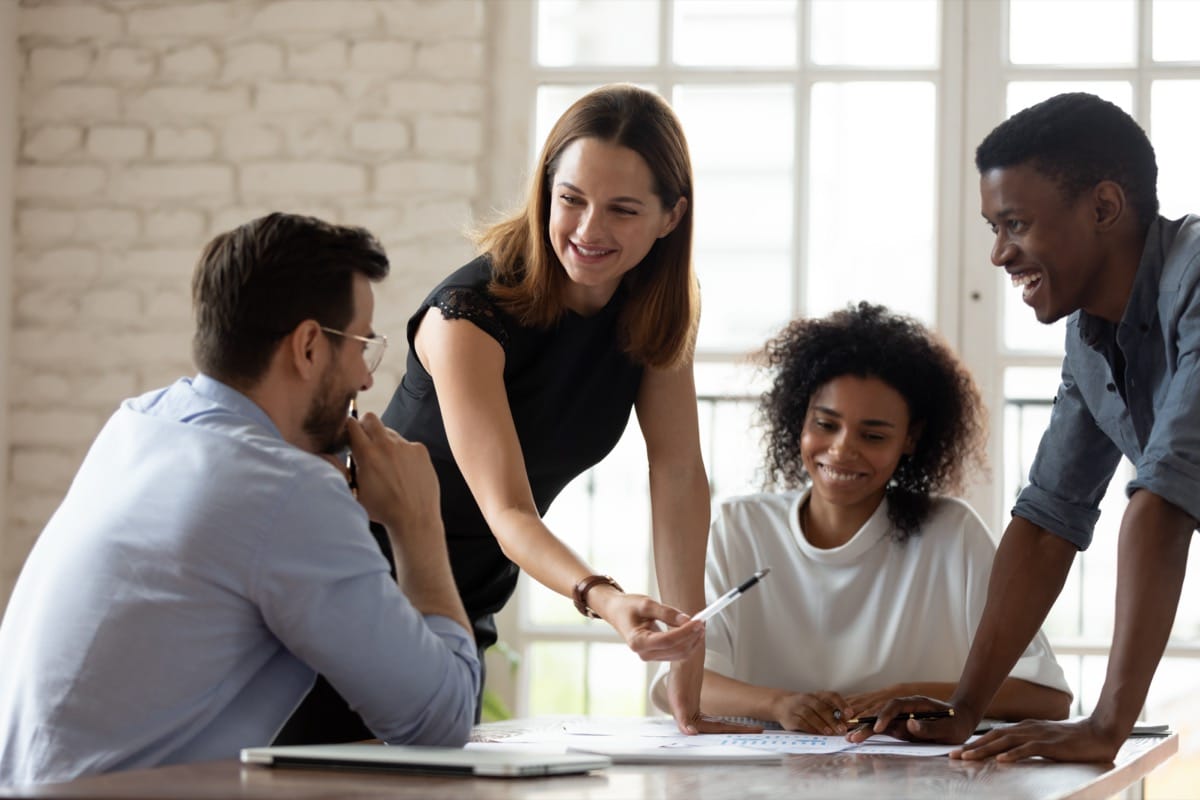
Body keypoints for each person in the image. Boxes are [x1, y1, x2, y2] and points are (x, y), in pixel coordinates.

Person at [278, 83, 734, 742]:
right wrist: (606, 599)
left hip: (465, 600)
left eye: (623, 210)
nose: (588, 230)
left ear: (671, 217)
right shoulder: (467, 314)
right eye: (571, 199)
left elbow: (680, 477)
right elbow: (508, 510)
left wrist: (686, 681)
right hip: (359, 585)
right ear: (545, 190)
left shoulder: (654, 310)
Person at [0, 213, 480, 785]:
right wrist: (417, 519)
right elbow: (441, 721)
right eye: (360, 345)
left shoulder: (143, 423)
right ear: (307, 346)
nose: (366, 378)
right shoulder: (285, 490)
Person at [857, 92, 1200, 762]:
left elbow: (1163, 501)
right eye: (993, 227)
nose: (998, 255)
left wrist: (1107, 725)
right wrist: (963, 709)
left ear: (1103, 208)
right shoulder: (1090, 334)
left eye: (1015, 224)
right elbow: (1047, 522)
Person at [648, 302, 1072, 732]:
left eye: (873, 435)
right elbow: (679, 685)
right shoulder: (741, 529)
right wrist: (778, 704)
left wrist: (910, 693)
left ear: (911, 439)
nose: (842, 449)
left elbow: (1048, 697)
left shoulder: (953, 534)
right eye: (826, 424)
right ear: (800, 418)